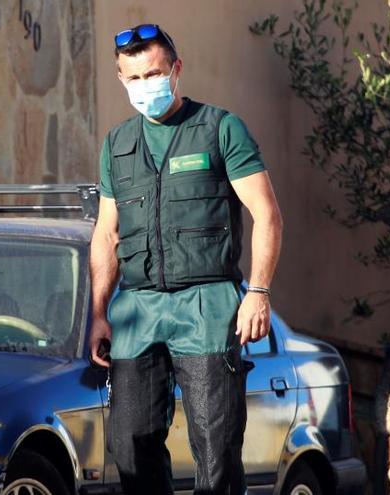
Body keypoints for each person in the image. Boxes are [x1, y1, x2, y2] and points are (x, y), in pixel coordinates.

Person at [88, 23, 283, 495]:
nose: (144, 87)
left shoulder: (220, 128)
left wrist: (257, 291)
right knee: (129, 442)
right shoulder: (116, 146)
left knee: (215, 449)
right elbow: (106, 234)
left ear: (176, 70)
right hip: (137, 309)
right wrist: (98, 313)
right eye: (133, 78)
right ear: (121, 80)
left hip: (208, 303)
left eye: (153, 73)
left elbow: (267, 214)